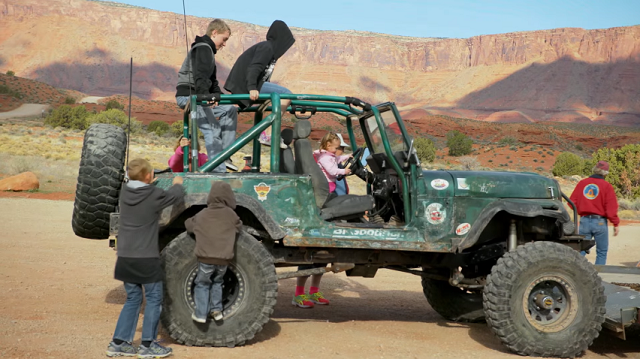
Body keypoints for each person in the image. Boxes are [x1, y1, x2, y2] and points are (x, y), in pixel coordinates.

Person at [106, 158, 184, 358]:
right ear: (149, 176)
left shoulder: (125, 193)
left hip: (124, 255)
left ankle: (119, 343)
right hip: (145, 257)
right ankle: (148, 345)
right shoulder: (153, 193)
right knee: (154, 298)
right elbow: (175, 196)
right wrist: (177, 183)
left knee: (133, 298)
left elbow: (142, 187)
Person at [175, 19, 238, 172]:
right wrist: (206, 97)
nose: (224, 44)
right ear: (214, 33)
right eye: (224, 39)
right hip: (190, 97)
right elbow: (200, 78)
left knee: (229, 109)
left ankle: (225, 155)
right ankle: (218, 170)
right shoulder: (202, 48)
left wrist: (220, 97)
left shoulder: (209, 51)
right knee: (212, 128)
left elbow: (213, 82)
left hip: (200, 96)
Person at [224, 20, 295, 148]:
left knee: (281, 97)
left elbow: (264, 76)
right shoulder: (267, 47)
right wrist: (251, 88)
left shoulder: (271, 51)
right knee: (286, 94)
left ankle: (267, 133)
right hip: (246, 86)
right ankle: (269, 134)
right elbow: (254, 67)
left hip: (252, 85)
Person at [185, 181, 242, 323]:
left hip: (205, 259)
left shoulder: (203, 214)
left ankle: (200, 314)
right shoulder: (231, 214)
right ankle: (216, 311)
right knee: (218, 282)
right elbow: (239, 227)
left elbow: (189, 225)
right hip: (223, 260)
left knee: (203, 284)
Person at [569, 160, 620, 265]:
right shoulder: (607, 186)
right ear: (606, 173)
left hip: (584, 221)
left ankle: (576, 275)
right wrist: (615, 223)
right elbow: (611, 208)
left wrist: (582, 210)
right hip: (600, 222)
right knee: (601, 252)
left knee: (581, 250)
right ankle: (599, 276)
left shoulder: (582, 183)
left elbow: (571, 203)